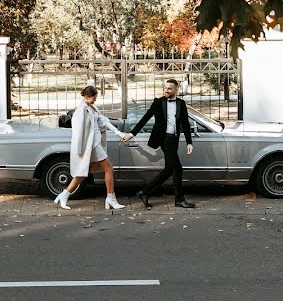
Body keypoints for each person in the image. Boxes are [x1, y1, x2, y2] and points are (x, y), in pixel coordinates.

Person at [53, 85, 132, 210]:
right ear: (87, 96)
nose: (95, 100)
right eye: (94, 98)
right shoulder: (81, 111)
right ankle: (111, 198)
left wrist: (120, 134)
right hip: (91, 145)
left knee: (82, 173)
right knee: (109, 169)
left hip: (95, 144)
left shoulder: (91, 107)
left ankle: (64, 194)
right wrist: (79, 150)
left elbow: (105, 122)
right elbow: (78, 133)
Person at [127, 78, 196, 209]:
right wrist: (132, 134)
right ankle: (177, 199)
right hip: (164, 139)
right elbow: (145, 118)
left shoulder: (181, 103)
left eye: (170, 88)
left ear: (176, 89)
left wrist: (189, 142)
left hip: (174, 139)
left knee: (172, 169)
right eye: (165, 88)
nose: (166, 90)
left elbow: (185, 123)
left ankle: (146, 192)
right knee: (177, 168)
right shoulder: (159, 102)